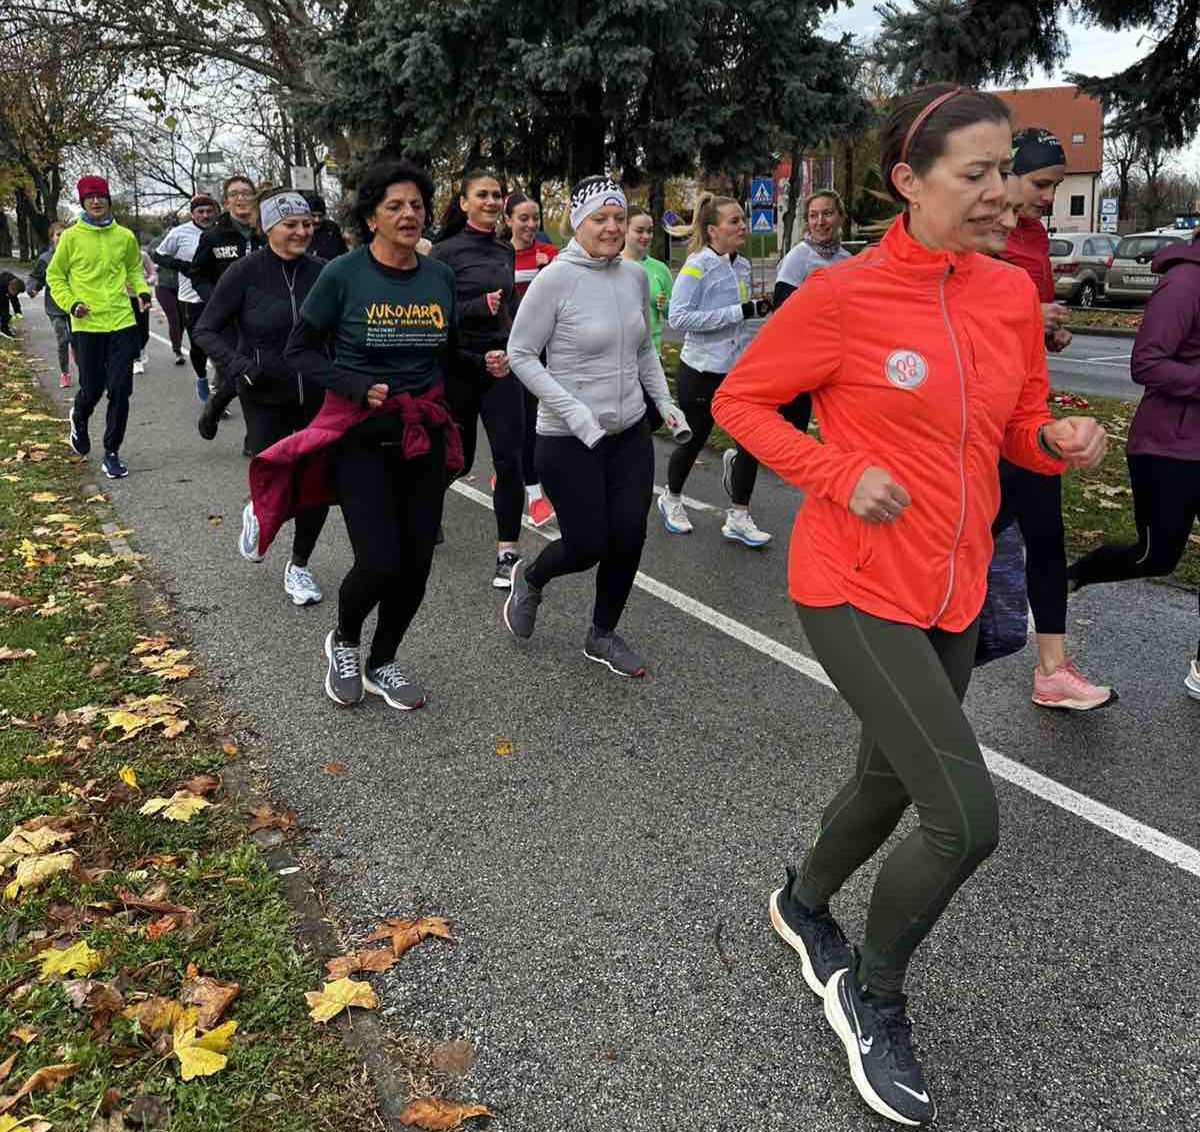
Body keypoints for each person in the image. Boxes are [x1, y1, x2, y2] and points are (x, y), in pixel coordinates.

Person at [711, 85, 1107, 1127]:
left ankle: (801, 903)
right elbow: (740, 400)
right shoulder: (843, 295)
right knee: (964, 821)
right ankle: (872, 995)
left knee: (886, 785)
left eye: (1004, 172)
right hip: (854, 583)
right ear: (908, 181)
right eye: (975, 174)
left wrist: (1057, 440)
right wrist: (838, 472)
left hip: (955, 587)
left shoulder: (1010, 292)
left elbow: (1017, 427)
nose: (1001, 193)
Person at [248, 158, 465, 711]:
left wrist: (485, 363)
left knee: (416, 565)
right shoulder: (343, 275)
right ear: (371, 218)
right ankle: (343, 640)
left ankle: (382, 661)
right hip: (361, 439)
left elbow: (449, 352)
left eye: (416, 205)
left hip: (421, 437)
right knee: (378, 561)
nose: (409, 214)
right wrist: (355, 383)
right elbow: (298, 351)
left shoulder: (438, 276)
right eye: (394, 206)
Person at [503, 175, 689, 678]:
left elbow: (644, 349)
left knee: (629, 535)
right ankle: (532, 577)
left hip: (629, 432)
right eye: (600, 218)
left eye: (618, 218)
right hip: (568, 439)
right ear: (577, 223)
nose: (612, 228)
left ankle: (602, 634)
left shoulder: (633, 276)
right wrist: (574, 412)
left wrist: (664, 402)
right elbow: (520, 354)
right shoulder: (555, 280)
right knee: (588, 545)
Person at [998, 127, 1113, 710]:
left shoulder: (1036, 236)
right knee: (972, 535)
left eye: (1056, 186)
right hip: (983, 419)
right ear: (1009, 174)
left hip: (1031, 413)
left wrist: (1051, 331)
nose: (1049, 196)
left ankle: (1052, 670)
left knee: (1046, 534)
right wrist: (1027, 315)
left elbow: (1033, 325)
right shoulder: (980, 232)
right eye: (1041, 184)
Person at [1068, 231, 1200, 701]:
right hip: (1169, 447)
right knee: (1155, 557)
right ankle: (1069, 577)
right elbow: (1146, 363)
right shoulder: (1185, 282)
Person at [193, 190, 329, 608]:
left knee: (317, 484)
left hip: (319, 393)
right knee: (278, 477)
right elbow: (206, 330)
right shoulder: (244, 273)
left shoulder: (324, 272)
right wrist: (239, 366)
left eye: (306, 224)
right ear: (268, 228)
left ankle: (300, 565)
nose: (302, 232)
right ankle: (259, 510)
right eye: (291, 225)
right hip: (265, 393)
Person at [430, 170, 524, 588]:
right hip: (461, 366)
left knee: (509, 459)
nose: (491, 201)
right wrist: (475, 307)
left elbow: (510, 306)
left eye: (496, 195)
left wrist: (516, 347)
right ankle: (424, 507)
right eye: (482, 195)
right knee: (460, 460)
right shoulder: (444, 253)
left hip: (500, 365)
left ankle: (507, 553)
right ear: (464, 202)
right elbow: (435, 315)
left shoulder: (505, 250)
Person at [662, 194, 773, 546]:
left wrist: (755, 310)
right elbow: (679, 318)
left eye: (742, 219)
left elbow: (738, 317)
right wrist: (741, 311)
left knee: (750, 441)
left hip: (737, 372)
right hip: (701, 370)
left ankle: (739, 515)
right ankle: (671, 498)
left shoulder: (743, 265)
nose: (742, 226)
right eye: (734, 221)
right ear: (713, 230)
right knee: (694, 440)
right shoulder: (697, 266)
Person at [48, 175, 151, 480]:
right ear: (83, 202)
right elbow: (56, 276)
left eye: (101, 196)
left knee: (120, 389)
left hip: (122, 321)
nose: (96, 201)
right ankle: (79, 417)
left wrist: (142, 291)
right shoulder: (71, 238)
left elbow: (134, 269)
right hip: (87, 323)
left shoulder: (124, 236)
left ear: (108, 200)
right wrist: (72, 303)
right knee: (92, 388)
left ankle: (111, 452)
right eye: (90, 197)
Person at [192, 175, 263, 433]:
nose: (241, 198)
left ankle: (254, 434)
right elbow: (198, 275)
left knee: (260, 374)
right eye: (234, 194)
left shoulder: (267, 232)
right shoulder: (213, 237)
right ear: (226, 202)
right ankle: (217, 407)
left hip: (263, 316)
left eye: (246, 193)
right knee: (239, 373)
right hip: (228, 321)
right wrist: (217, 301)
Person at [506, 190, 558, 528]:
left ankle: (519, 474)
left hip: (546, 348)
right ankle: (533, 493)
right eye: (523, 218)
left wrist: (545, 271)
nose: (530, 224)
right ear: (508, 220)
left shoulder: (549, 253)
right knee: (523, 421)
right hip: (512, 348)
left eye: (535, 218)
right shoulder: (499, 255)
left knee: (543, 417)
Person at [153, 195, 217, 399]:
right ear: (192, 214)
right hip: (191, 299)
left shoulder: (221, 231)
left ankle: (220, 386)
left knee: (224, 343)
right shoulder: (179, 233)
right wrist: (181, 266)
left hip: (219, 296)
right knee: (199, 346)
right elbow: (158, 255)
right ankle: (202, 378)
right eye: (201, 212)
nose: (205, 215)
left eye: (209, 211)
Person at [623, 205, 673, 357]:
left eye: (650, 231)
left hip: (652, 354)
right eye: (639, 231)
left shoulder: (661, 269)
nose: (646, 236)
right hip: (619, 356)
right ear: (624, 230)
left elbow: (674, 314)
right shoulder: (611, 265)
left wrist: (665, 306)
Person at [26, 223, 73, 386]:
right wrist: (33, 288)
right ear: (52, 238)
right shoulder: (45, 259)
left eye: (64, 234)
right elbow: (36, 277)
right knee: (63, 339)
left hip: (74, 305)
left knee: (78, 340)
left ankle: (83, 366)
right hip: (55, 307)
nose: (61, 237)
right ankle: (65, 373)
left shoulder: (75, 254)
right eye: (58, 234)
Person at [130, 249, 156, 376]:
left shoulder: (142, 255)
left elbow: (153, 274)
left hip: (141, 296)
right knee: (129, 329)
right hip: (123, 297)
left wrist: (147, 282)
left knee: (144, 330)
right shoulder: (116, 253)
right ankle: (136, 359)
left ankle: (141, 348)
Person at [306, 194, 349, 261]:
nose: (317, 220)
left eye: (320, 216)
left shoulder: (332, 229)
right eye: (313, 216)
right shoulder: (301, 231)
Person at [0, 272, 25, 339]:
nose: (16, 294)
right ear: (10, 288)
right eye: (15, 292)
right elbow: (2, 307)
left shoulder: (16, 283)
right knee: (4, 307)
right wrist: (9, 317)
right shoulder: (2, 287)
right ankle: (3, 329)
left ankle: (5, 327)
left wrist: (18, 312)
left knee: (11, 298)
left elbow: (14, 299)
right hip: (1, 290)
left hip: (6, 285)